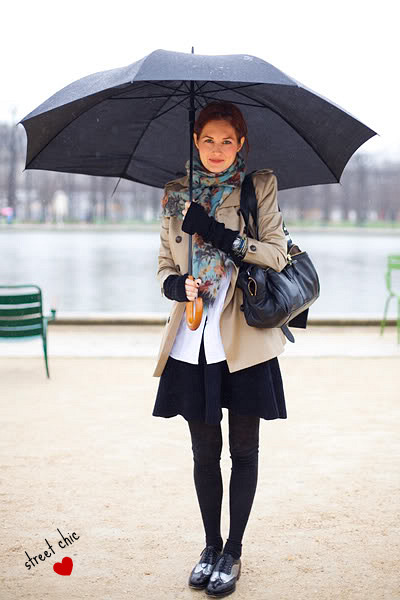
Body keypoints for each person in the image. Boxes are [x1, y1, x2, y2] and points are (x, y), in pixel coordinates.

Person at [152, 101, 288, 598]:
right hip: (192, 337)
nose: (216, 149)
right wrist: (176, 286)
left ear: (241, 144)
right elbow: (165, 262)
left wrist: (211, 229)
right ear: (195, 140)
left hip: (243, 337)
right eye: (208, 139)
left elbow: (275, 254)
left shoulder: (258, 187)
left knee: (244, 450)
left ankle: (233, 551)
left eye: (227, 140)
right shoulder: (174, 194)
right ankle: (210, 547)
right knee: (204, 452)